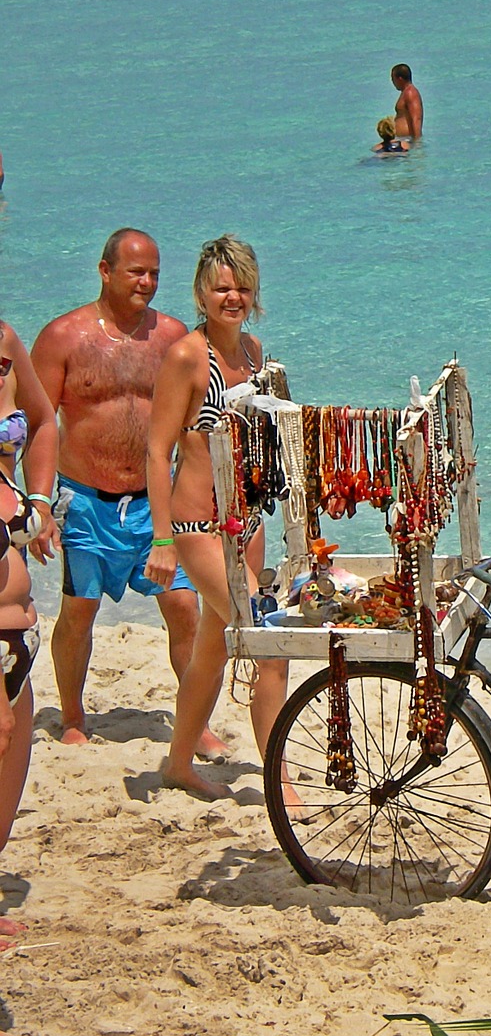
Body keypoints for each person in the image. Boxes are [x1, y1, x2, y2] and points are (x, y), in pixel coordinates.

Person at [31, 228, 227, 759]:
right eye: (136, 272)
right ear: (104, 271)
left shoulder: (173, 338)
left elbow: (198, 428)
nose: (147, 282)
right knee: (79, 611)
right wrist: (39, 504)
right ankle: (72, 716)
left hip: (154, 503)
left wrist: (209, 505)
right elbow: (39, 426)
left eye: (156, 273)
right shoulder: (62, 337)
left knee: (186, 608)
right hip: (86, 502)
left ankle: (193, 724)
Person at [144, 236, 288, 801]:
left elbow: (278, 439)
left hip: (246, 524)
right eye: (222, 287)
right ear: (202, 293)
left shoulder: (254, 352)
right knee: (267, 638)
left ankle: (178, 763)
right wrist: (160, 539)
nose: (233, 296)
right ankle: (280, 784)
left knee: (212, 644)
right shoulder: (186, 356)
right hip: (196, 528)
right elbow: (157, 451)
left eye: (243, 286)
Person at [0, 316, 58, 947]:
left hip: (21, 625)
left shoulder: (5, 340)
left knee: (11, 760)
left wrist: (38, 502)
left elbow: (44, 423)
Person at [390, 64, 423, 140]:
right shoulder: (405, 93)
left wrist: (417, 144)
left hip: (408, 141)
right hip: (404, 140)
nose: (392, 82)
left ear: (400, 79)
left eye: (393, 79)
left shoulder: (410, 93)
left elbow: (416, 119)